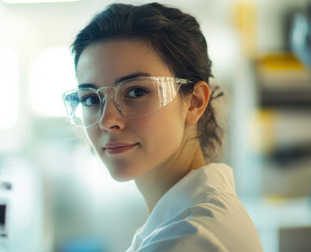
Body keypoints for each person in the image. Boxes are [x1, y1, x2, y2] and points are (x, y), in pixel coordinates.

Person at [62, 2, 263, 252]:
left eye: (136, 92)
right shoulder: (183, 221)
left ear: (194, 102)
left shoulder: (188, 238)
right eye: (91, 99)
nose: (107, 121)